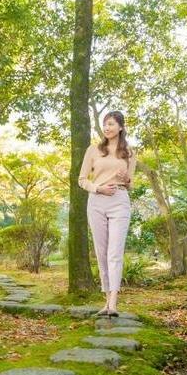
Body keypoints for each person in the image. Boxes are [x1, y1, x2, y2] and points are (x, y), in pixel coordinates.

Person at [78, 110, 137, 317]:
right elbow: (82, 179)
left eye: (111, 124)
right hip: (96, 201)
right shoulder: (93, 150)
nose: (107, 127)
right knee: (101, 253)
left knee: (115, 253)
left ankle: (113, 303)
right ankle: (106, 301)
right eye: (105, 124)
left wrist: (126, 178)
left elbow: (131, 184)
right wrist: (98, 188)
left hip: (119, 201)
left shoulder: (129, 152)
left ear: (120, 127)